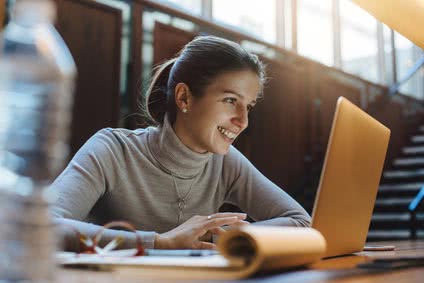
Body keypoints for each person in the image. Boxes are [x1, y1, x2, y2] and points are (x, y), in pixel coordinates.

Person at [50, 35, 311, 252]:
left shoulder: (225, 162)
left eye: (249, 106)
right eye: (231, 100)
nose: (243, 121)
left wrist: (229, 235)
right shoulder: (111, 149)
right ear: (184, 97)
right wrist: (160, 242)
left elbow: (301, 222)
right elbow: (43, 225)